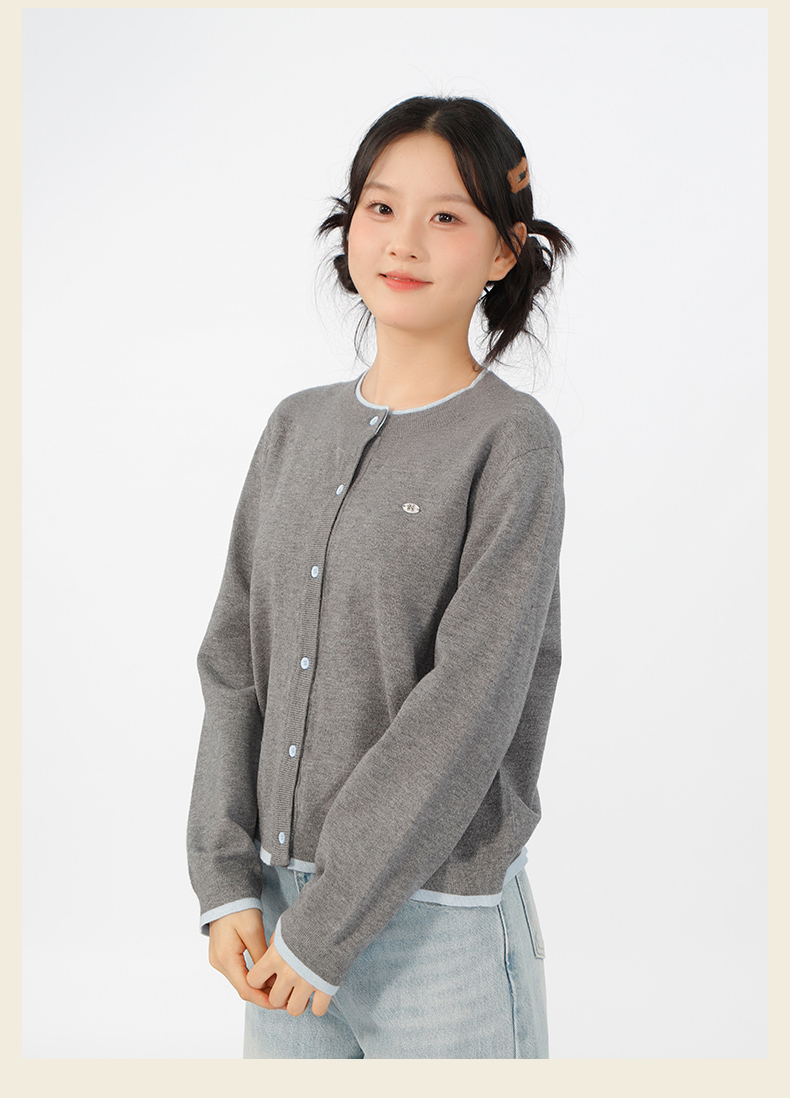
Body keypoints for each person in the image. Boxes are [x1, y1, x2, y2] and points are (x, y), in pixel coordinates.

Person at [187, 94, 574, 1059]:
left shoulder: (512, 442)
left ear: (504, 250)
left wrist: (329, 925)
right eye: (381, 207)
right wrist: (225, 881)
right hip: (278, 922)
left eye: (446, 216)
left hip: (437, 932)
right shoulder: (293, 427)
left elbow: (469, 704)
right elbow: (234, 664)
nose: (404, 240)